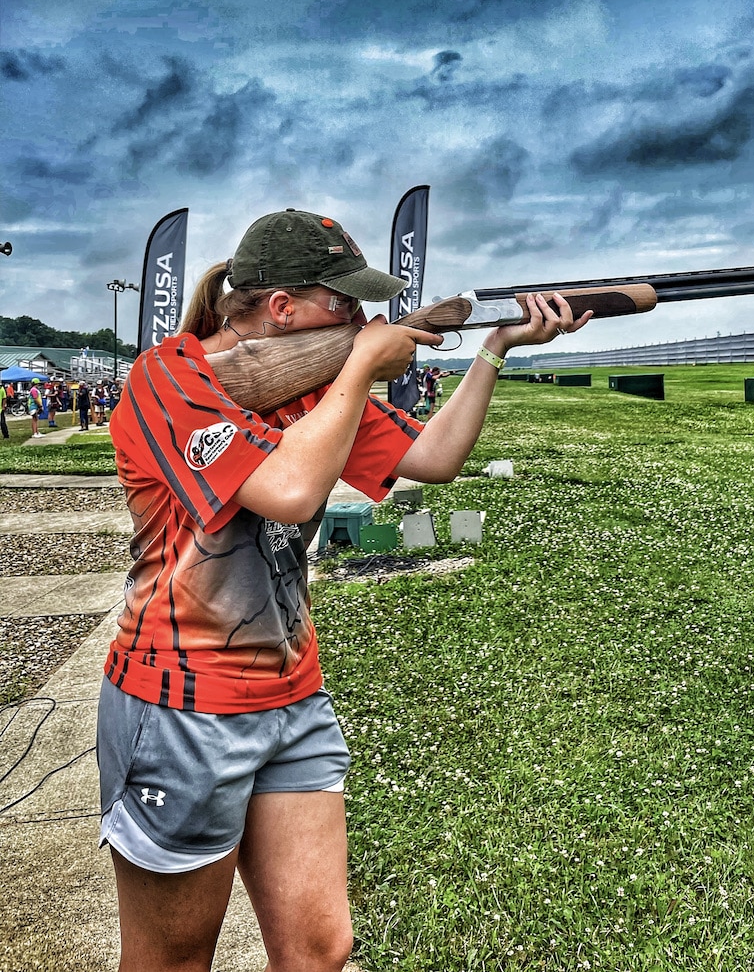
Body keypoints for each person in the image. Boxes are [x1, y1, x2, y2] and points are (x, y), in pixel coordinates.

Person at [96, 206, 592, 972]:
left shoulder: (320, 387)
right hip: (180, 705)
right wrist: (360, 365)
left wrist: (493, 348)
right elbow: (290, 489)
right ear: (284, 307)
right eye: (345, 302)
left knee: (322, 950)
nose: (362, 317)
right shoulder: (169, 378)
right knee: (172, 961)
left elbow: (434, 457)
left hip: (292, 694)